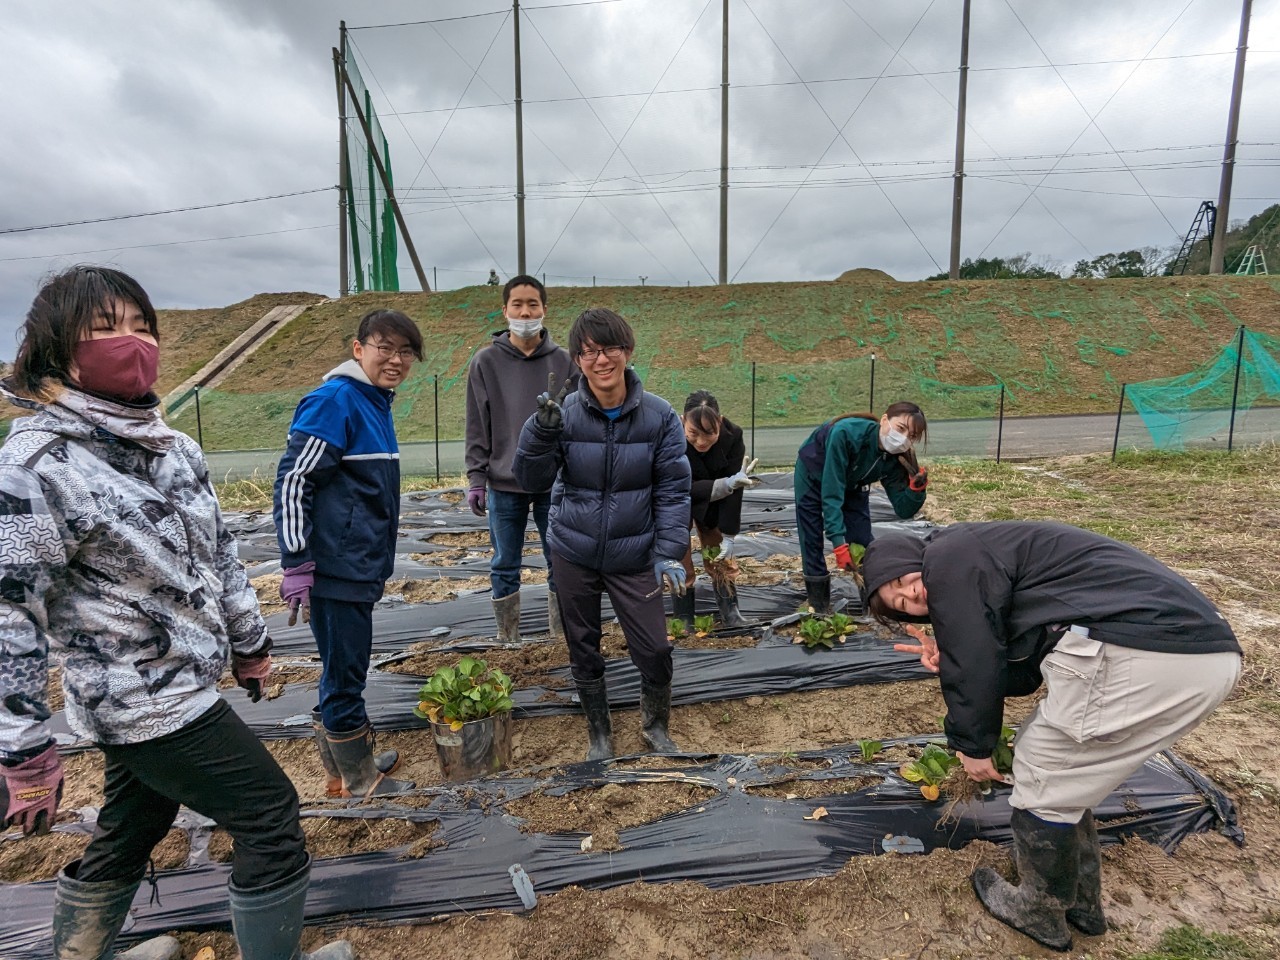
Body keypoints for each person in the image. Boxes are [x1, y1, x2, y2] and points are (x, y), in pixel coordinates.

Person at [0, 266, 350, 960]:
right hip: (137, 697)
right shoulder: (36, 467)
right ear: (57, 351)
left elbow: (217, 553)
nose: (129, 342)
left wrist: (249, 641)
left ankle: (83, 952)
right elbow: (10, 613)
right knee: (269, 814)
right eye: (103, 330)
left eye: (140, 325)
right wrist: (23, 743)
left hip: (182, 679)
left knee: (136, 818)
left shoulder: (171, 447)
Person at [863, 521, 1242, 953]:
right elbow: (1018, 666)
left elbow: (977, 659)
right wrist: (953, 653)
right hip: (1199, 656)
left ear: (913, 558)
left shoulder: (948, 557)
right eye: (900, 604)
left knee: (1042, 770)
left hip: (1149, 651)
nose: (911, 596)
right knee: (1064, 776)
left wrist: (972, 745)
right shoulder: (982, 555)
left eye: (901, 580)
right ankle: (1081, 905)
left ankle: (1039, 909)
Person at [513, 308, 691, 761]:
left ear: (627, 351)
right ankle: (600, 732)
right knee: (583, 645)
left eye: (609, 348)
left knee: (653, 648)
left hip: (636, 553)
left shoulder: (661, 417)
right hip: (574, 549)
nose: (600, 359)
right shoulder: (563, 414)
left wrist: (669, 550)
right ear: (577, 360)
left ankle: (655, 726)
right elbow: (530, 478)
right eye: (588, 352)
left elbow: (673, 489)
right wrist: (539, 433)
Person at [274, 309, 421, 799]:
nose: (396, 359)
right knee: (345, 671)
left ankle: (342, 768)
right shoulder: (336, 400)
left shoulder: (371, 402)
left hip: (356, 563)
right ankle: (361, 778)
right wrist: (296, 560)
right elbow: (294, 480)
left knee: (343, 664)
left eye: (405, 351)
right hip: (335, 567)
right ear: (359, 349)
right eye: (385, 347)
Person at [464, 275, 577, 643]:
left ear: (544, 309)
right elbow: (477, 425)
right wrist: (476, 479)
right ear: (505, 310)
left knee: (559, 559)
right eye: (518, 304)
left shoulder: (565, 362)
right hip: (503, 482)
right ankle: (508, 637)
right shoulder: (485, 362)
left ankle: (560, 639)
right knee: (503, 563)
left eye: (533, 304)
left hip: (553, 482)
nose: (525, 312)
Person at [793, 401, 928, 614]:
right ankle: (818, 605)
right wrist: (838, 543)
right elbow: (832, 493)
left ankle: (873, 599)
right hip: (814, 472)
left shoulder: (895, 459)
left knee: (863, 539)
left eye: (911, 436)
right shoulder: (846, 434)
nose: (903, 438)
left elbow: (903, 510)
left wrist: (915, 490)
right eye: (900, 428)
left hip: (854, 482)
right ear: (885, 420)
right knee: (811, 534)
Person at [676, 391, 760, 631]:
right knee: (679, 553)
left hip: (715, 501)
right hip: (677, 498)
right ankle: (683, 617)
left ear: (720, 422)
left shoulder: (733, 437)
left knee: (720, 554)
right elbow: (677, 485)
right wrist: (723, 485)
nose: (701, 442)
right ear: (683, 421)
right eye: (693, 433)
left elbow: (736, 490)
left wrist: (730, 535)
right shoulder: (669, 435)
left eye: (710, 433)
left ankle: (730, 612)